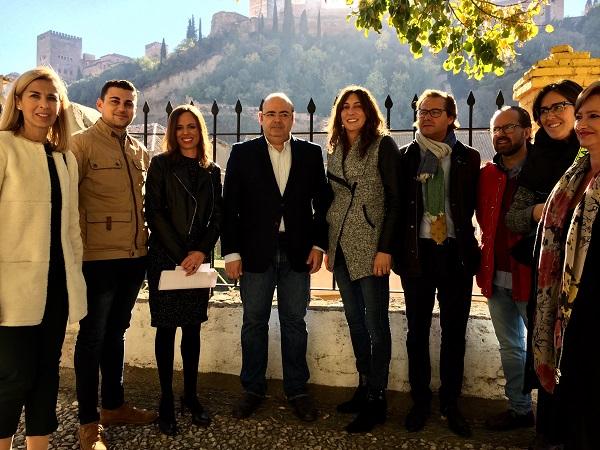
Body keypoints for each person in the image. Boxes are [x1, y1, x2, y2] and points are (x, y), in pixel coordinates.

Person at [222, 92, 329, 422]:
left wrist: (318, 245)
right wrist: (231, 252)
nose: (277, 119)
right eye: (271, 113)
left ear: (293, 117)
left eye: (284, 113)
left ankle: (297, 389)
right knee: (254, 322)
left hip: (298, 253)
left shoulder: (311, 154)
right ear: (260, 117)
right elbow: (230, 209)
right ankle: (252, 388)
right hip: (254, 254)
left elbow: (323, 203)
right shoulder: (242, 154)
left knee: (295, 323)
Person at [0, 67, 87, 450]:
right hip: (11, 290)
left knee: (48, 374)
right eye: (35, 95)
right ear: (18, 101)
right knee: (13, 375)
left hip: (56, 287)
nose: (44, 104)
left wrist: (75, 283)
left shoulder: (65, 159)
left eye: (52, 97)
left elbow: (72, 230)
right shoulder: (2, 147)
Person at [71, 80, 156, 450]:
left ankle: (114, 404)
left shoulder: (138, 150)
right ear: (101, 104)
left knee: (116, 332)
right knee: (91, 338)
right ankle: (88, 422)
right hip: (97, 259)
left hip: (134, 257)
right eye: (116, 102)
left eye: (128, 103)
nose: (122, 108)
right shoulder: (81, 144)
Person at [395, 89, 480, 437]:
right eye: (421, 111)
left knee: (454, 333)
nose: (426, 117)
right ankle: (420, 401)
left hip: (456, 254)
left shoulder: (469, 158)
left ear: (450, 117)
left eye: (434, 111)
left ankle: (450, 402)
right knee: (416, 333)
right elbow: (397, 208)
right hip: (418, 254)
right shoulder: (406, 158)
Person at [505, 79, 582, 449]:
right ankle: (548, 432)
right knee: (548, 350)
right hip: (548, 274)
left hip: (583, 276)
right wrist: (546, 209)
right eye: (545, 110)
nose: (552, 116)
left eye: (560, 106)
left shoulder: (590, 157)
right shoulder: (538, 160)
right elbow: (514, 218)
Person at [324, 86, 400, 433]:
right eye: (345, 107)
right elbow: (331, 198)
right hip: (339, 245)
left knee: (375, 324)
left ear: (369, 112)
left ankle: (377, 398)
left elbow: (395, 200)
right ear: (338, 114)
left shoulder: (383, 145)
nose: (351, 112)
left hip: (371, 248)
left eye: (358, 107)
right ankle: (363, 385)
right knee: (355, 321)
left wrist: (385, 248)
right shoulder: (335, 148)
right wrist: (327, 245)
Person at [145, 105, 222, 436]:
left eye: (192, 126)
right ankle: (165, 399)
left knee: (192, 330)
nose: (186, 132)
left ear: (200, 130)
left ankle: (190, 396)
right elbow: (155, 213)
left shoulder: (212, 169)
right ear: (172, 132)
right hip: (166, 257)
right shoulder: (160, 165)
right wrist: (181, 255)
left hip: (199, 258)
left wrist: (200, 251)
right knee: (166, 329)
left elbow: (218, 216)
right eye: (179, 127)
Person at [533, 80, 600, 450]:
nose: (582, 123)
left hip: (592, 307)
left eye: (594, 115)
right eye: (582, 115)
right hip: (564, 301)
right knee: (571, 388)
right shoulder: (576, 173)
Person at [476, 106, 535, 431]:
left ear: (527, 131)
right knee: (512, 347)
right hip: (495, 277)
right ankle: (520, 409)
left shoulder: (544, 169)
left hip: (534, 277)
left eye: (509, 128)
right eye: (496, 129)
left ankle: (557, 416)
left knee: (545, 350)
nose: (501, 134)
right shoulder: (486, 174)